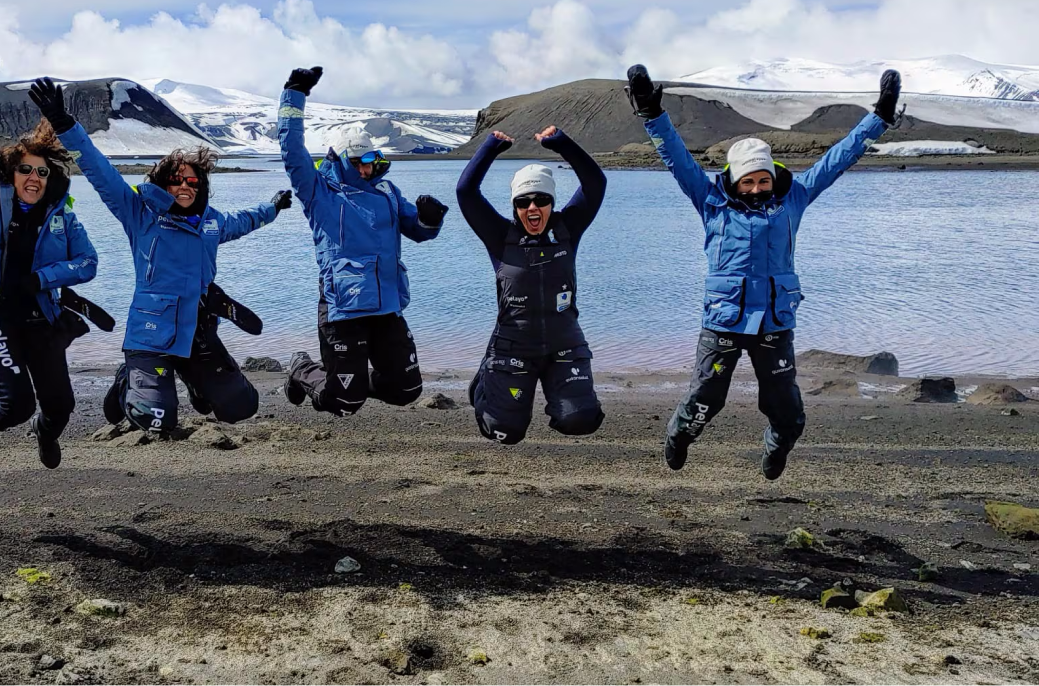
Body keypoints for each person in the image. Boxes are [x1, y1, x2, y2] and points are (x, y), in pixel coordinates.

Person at [626, 64, 901, 480]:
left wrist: (878, 118)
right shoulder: (710, 201)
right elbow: (675, 157)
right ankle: (680, 435)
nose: (757, 188)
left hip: (774, 320)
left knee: (788, 411)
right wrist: (651, 112)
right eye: (748, 181)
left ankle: (777, 445)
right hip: (724, 319)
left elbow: (840, 156)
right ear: (734, 181)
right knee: (706, 398)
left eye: (763, 179)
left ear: (772, 176)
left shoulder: (796, 198)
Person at [27, 77, 291, 433]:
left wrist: (273, 207)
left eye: (193, 182)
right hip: (150, 336)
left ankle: (196, 382)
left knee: (241, 407)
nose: (185, 186)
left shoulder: (211, 224)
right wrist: (64, 125)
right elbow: (98, 170)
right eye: (177, 180)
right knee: (156, 419)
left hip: (196, 332)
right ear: (164, 183)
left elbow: (246, 220)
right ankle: (127, 381)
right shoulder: (140, 214)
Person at [276, 66, 448, 416]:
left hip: (387, 305)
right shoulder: (319, 193)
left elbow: (416, 230)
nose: (367, 169)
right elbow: (292, 151)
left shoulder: (386, 190)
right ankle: (301, 369)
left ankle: (348, 380)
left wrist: (430, 220)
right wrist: (294, 94)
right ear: (341, 161)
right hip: (344, 309)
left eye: (371, 161)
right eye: (360, 162)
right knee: (343, 403)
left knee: (406, 390)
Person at [0, 54, 99, 469]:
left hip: (40, 317)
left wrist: (40, 279)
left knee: (61, 406)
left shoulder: (63, 215)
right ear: (12, 171)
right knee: (15, 404)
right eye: (25, 170)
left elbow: (88, 263)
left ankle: (44, 431)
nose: (33, 178)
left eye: (41, 172)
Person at [457, 125, 608, 444]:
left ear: (551, 203)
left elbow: (595, 183)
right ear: (515, 207)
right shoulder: (500, 237)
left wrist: (562, 144)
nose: (532, 208)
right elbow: (466, 192)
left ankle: (557, 393)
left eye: (541, 200)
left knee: (581, 421)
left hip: (564, 340)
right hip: (513, 344)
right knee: (503, 431)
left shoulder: (569, 228)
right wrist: (490, 148)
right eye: (523, 202)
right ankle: (485, 382)